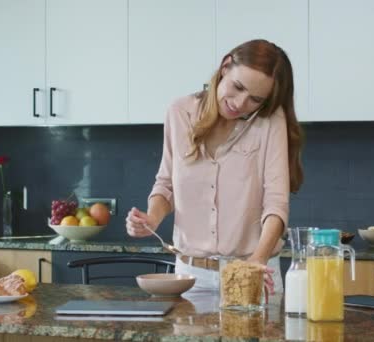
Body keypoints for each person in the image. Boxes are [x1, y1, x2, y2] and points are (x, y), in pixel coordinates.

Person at [125, 39, 304, 293]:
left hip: (252, 272)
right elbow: (166, 183)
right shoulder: (179, 112)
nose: (240, 103)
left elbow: (276, 201)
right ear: (225, 67)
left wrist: (258, 260)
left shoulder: (270, 122)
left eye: (255, 99)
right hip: (190, 277)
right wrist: (152, 217)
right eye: (238, 87)